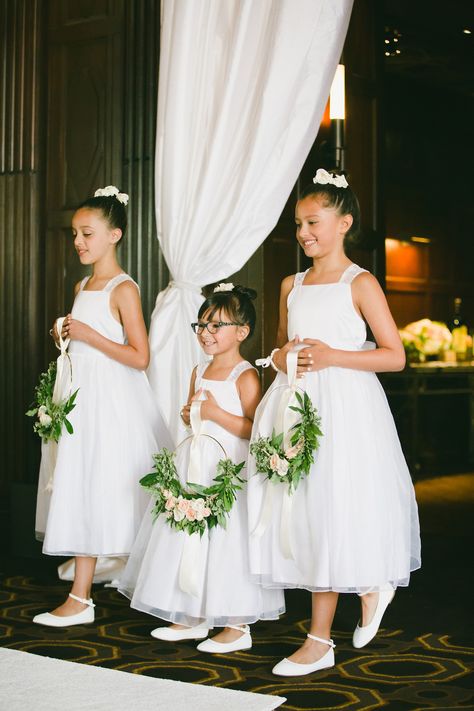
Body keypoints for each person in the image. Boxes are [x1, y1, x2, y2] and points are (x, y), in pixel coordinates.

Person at [247, 168, 421, 676]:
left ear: (344, 223)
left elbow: (394, 357)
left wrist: (333, 357)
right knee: (299, 508)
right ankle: (367, 586)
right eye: (299, 223)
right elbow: (279, 344)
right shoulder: (290, 284)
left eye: (313, 222)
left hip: (344, 406)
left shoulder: (359, 282)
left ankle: (320, 638)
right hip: (295, 403)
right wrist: (281, 359)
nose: (303, 233)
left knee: (330, 505)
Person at [34, 186, 172, 627]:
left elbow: (140, 356)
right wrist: (68, 339)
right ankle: (81, 594)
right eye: (75, 233)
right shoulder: (82, 284)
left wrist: (91, 336)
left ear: (114, 234)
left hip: (111, 402)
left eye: (87, 233)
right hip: (80, 396)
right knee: (80, 485)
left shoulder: (123, 288)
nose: (79, 242)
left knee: (105, 486)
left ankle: (94, 593)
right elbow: (86, 341)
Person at [119, 284, 285, 653]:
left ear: (241, 332)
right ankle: (192, 613)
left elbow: (253, 429)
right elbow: (193, 411)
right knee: (189, 535)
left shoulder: (244, 375)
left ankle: (236, 623)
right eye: (202, 325)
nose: (206, 333)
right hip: (194, 462)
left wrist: (214, 414)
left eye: (216, 326)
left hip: (228, 468)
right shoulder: (198, 370)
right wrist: (190, 414)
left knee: (227, 541)